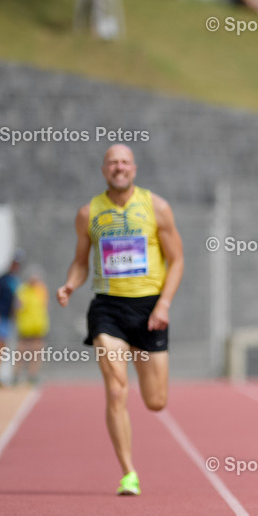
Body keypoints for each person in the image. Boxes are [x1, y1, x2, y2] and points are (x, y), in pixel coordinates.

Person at [58, 144, 184, 496]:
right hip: (108, 309)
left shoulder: (157, 207)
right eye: (113, 162)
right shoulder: (88, 213)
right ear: (104, 170)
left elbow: (177, 260)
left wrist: (164, 304)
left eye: (125, 162)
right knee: (115, 388)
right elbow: (81, 260)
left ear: (134, 168)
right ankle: (128, 472)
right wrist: (71, 283)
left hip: (149, 312)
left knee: (155, 401)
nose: (119, 167)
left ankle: (146, 363)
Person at [0, 250, 25, 387]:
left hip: (8, 318)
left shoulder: (14, 280)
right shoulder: (2, 278)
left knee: (3, 346)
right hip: (0, 317)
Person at [15, 266, 51, 385]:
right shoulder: (23, 290)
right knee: (22, 351)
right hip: (25, 326)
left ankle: (32, 375)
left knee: (36, 351)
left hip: (38, 325)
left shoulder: (41, 289)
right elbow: (18, 307)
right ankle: (16, 374)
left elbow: (44, 306)